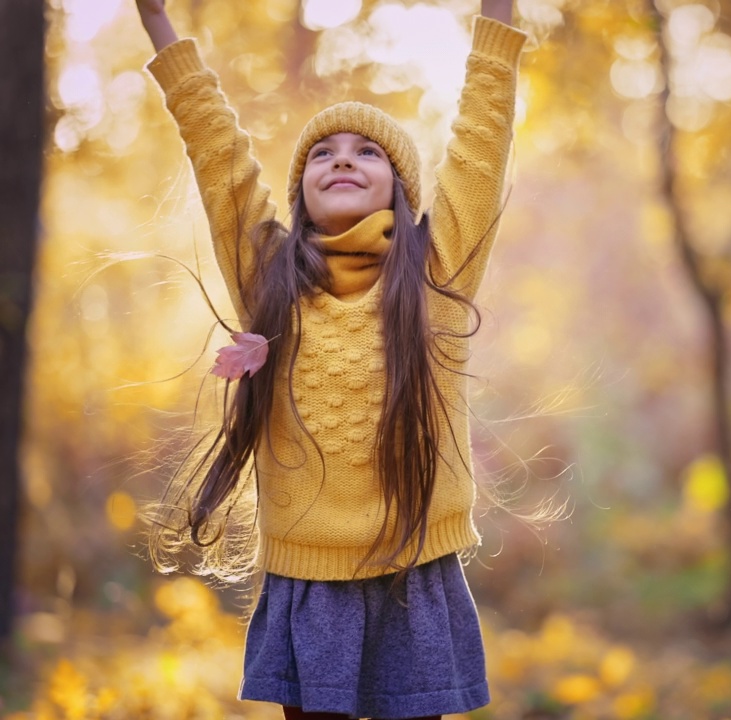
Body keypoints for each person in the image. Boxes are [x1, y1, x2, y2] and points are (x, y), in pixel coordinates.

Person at [132, 1, 526, 718]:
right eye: (323, 151)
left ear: (404, 196)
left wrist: (497, 18)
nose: (343, 156)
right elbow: (216, 149)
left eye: (367, 150)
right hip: (309, 582)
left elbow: (480, 140)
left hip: (414, 572)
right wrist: (159, 22)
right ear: (301, 195)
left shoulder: (436, 274)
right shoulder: (269, 274)